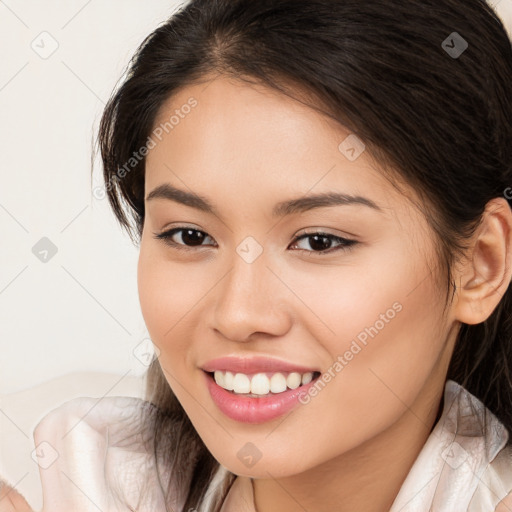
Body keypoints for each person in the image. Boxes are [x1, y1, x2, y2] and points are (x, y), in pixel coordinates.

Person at [3, 0, 512, 510]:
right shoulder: (64, 478)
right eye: (189, 235)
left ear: (481, 266)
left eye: (319, 241)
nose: (239, 314)